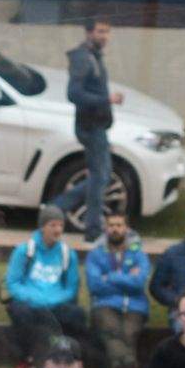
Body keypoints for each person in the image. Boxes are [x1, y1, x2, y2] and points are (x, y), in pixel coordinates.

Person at [50, 18, 123, 242]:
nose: (104, 36)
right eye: (100, 31)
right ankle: (92, 230)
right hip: (90, 126)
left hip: (97, 125)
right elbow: (74, 94)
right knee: (100, 177)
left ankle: (56, 207)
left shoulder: (94, 57)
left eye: (107, 32)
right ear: (89, 32)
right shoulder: (83, 58)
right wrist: (106, 99)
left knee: (100, 177)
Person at [2, 205, 86, 368]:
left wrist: (53, 299)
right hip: (29, 302)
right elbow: (13, 283)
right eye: (52, 225)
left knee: (78, 314)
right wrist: (34, 299)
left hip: (55, 302)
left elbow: (71, 287)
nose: (57, 230)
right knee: (20, 313)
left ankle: (72, 359)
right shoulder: (24, 250)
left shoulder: (67, 253)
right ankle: (26, 359)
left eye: (60, 225)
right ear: (42, 227)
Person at [85, 210, 151, 368]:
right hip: (104, 304)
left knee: (129, 333)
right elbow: (95, 285)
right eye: (111, 225)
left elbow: (139, 283)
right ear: (106, 228)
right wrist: (126, 277)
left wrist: (111, 277)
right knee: (112, 330)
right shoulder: (96, 254)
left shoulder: (138, 254)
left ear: (126, 228)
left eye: (119, 225)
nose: (115, 229)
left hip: (135, 305)